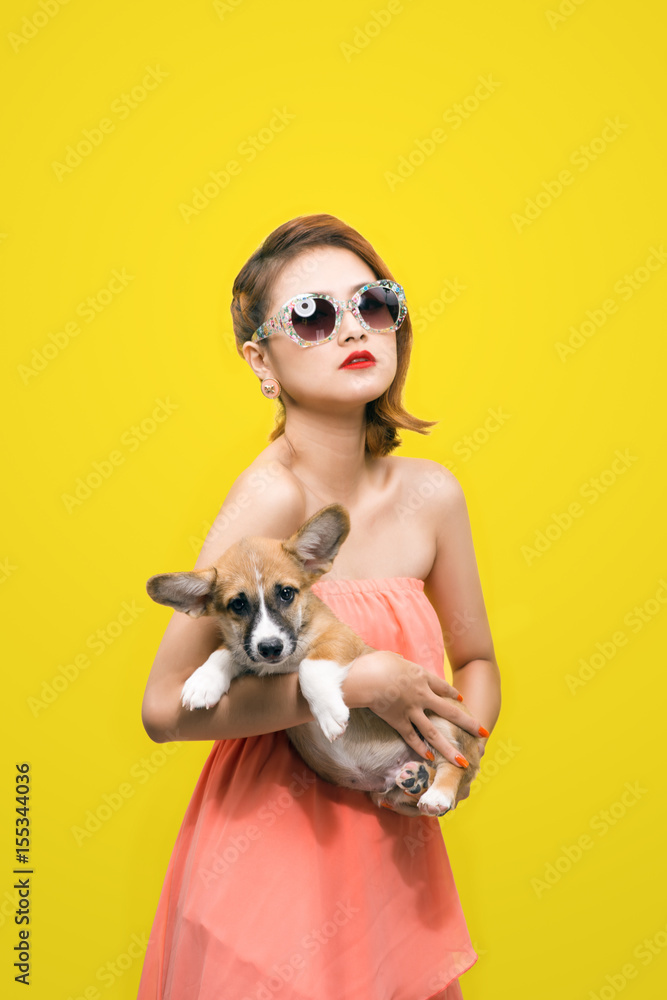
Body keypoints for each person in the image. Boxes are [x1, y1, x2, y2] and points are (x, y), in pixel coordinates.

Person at [137, 213, 501, 1000]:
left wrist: (459, 754)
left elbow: (474, 661)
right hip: (269, 865)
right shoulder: (271, 497)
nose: (351, 328)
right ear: (259, 359)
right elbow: (164, 707)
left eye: (373, 303)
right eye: (311, 314)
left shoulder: (431, 495)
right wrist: (357, 684)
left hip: (394, 863)